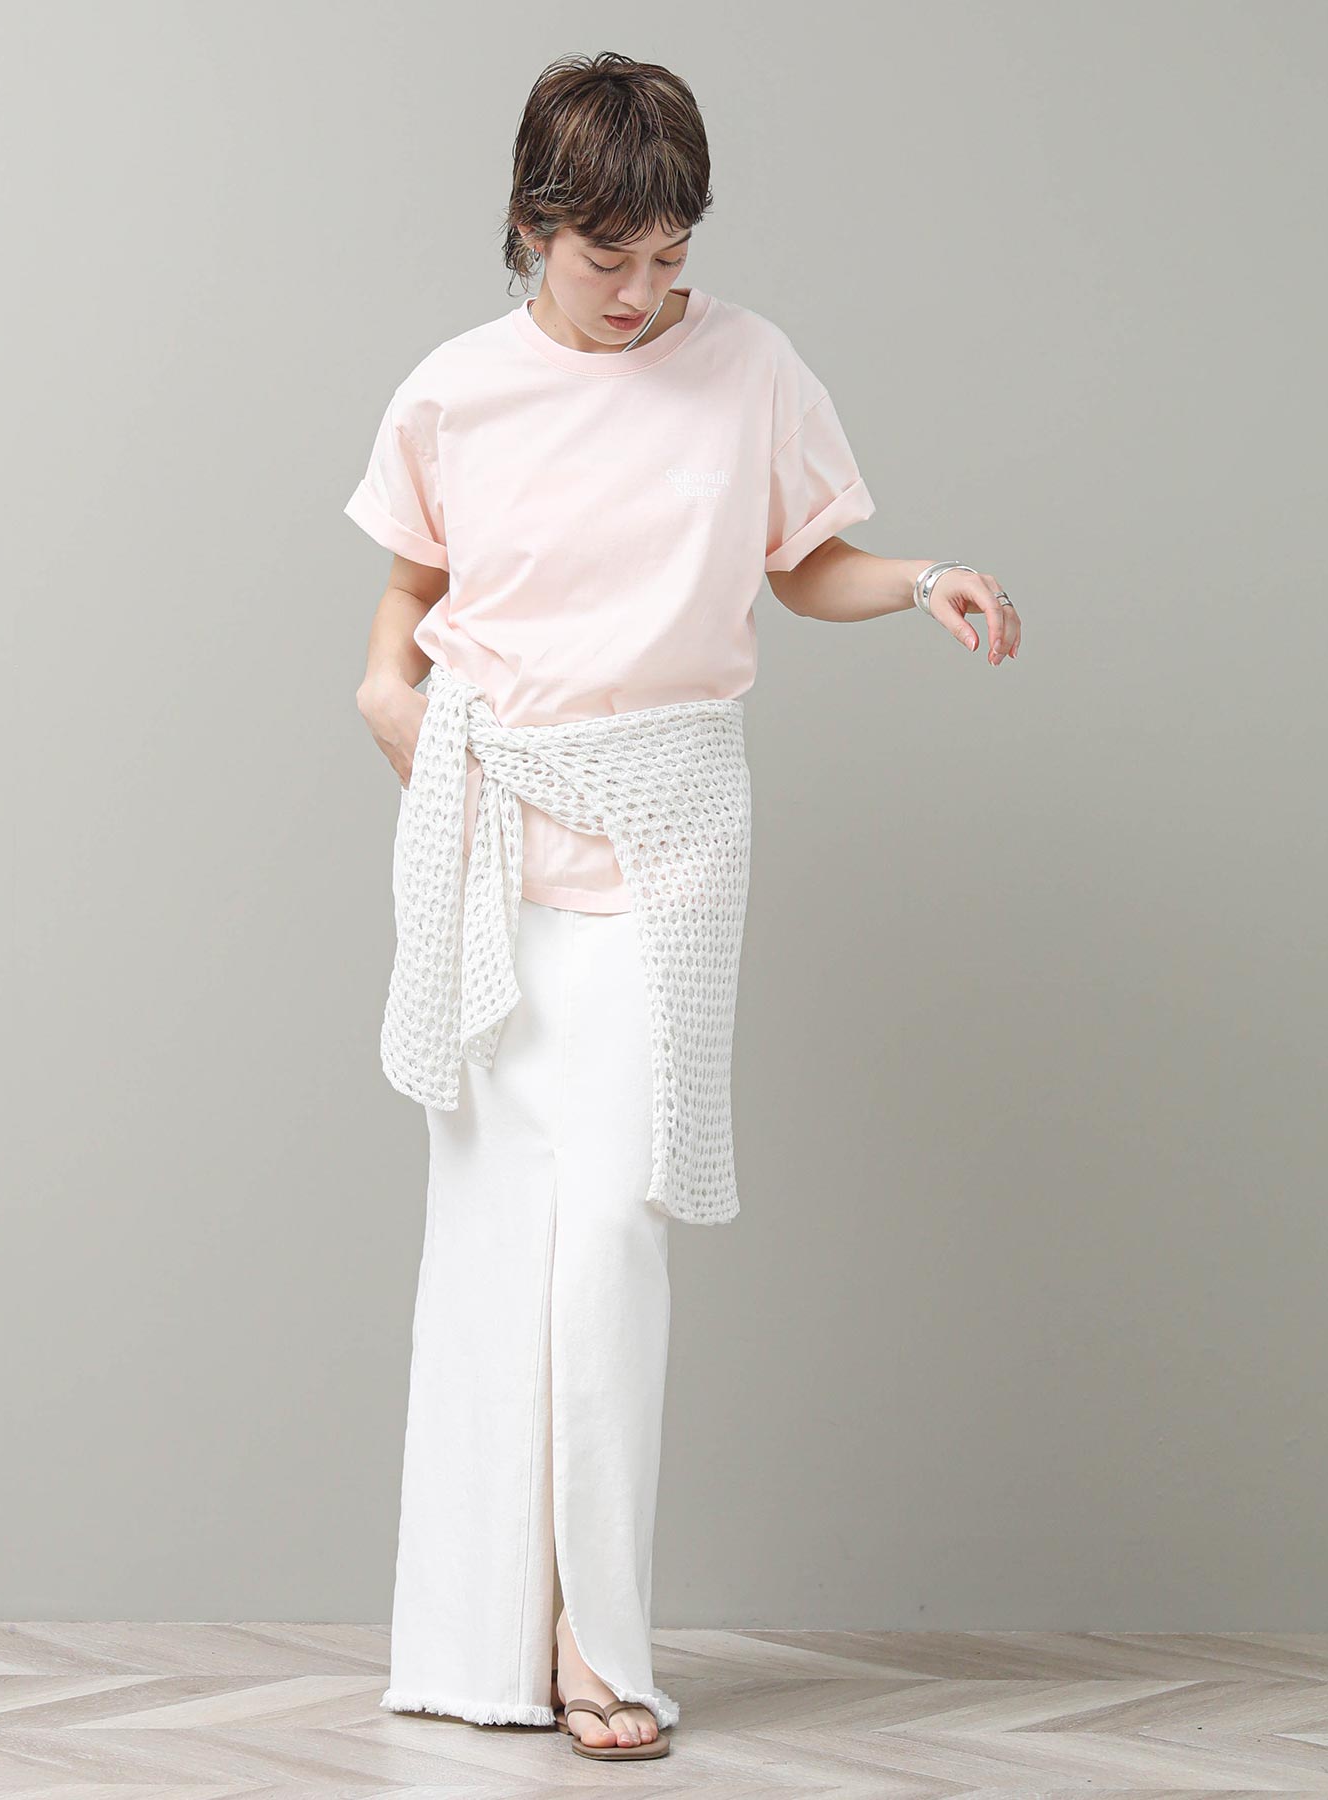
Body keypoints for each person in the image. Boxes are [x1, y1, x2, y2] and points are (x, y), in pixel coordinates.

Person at [346, 50, 1020, 1766]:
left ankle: (598, 1633)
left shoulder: (751, 367)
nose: (646, 293)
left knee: (612, 1240)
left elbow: (800, 562)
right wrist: (389, 701)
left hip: (668, 845)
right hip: (489, 839)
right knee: (492, 1248)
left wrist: (921, 579)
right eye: (609, 258)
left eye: (672, 255)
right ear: (532, 224)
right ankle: (483, 1642)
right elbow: (407, 600)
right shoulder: (452, 392)